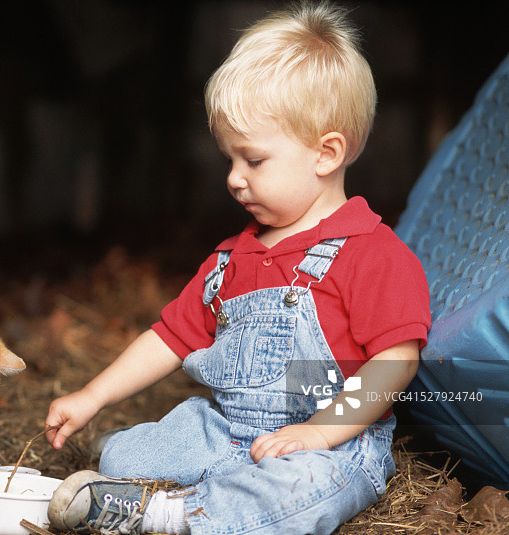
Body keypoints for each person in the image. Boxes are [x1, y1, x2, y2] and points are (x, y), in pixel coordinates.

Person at [44, 2, 431, 534]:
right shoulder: (230, 260)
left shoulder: (373, 254)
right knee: (123, 455)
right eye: (229, 159)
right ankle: (156, 483)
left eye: (253, 160)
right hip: (228, 432)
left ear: (326, 153)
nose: (233, 177)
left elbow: (396, 361)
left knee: (306, 489)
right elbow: (170, 337)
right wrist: (93, 395)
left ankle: (171, 514)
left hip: (332, 444)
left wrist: (320, 433)